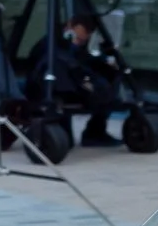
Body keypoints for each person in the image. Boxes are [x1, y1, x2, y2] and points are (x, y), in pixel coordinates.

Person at [53, 13, 127, 146]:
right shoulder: (54, 42)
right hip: (60, 85)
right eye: (78, 38)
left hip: (77, 82)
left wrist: (105, 61)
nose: (79, 42)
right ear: (70, 26)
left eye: (82, 40)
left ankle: (95, 132)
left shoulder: (77, 46)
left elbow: (84, 59)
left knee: (109, 81)